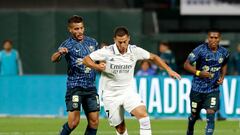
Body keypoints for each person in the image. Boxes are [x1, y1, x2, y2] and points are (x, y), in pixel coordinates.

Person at [83, 26, 181, 135]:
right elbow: (86, 60)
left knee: (144, 117)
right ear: (114, 40)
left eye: (124, 41)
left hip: (128, 92)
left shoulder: (134, 51)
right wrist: (96, 67)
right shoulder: (106, 51)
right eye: (119, 42)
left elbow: (153, 57)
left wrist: (169, 70)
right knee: (120, 129)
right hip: (110, 95)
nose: (122, 45)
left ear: (128, 38)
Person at [51, 15, 103, 135]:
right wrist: (59, 52)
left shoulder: (92, 42)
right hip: (75, 87)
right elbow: (53, 59)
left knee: (94, 121)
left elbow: (99, 60)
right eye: (76, 29)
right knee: (74, 122)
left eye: (81, 28)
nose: (79, 31)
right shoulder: (67, 44)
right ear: (70, 29)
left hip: (90, 87)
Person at [184, 30, 229, 135]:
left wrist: (222, 77)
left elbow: (224, 63)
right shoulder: (199, 50)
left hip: (213, 89)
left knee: (211, 113)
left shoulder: (224, 52)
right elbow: (186, 65)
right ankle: (190, 130)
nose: (213, 40)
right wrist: (199, 72)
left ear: (219, 39)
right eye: (211, 38)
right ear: (208, 38)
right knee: (194, 116)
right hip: (197, 89)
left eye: (216, 38)